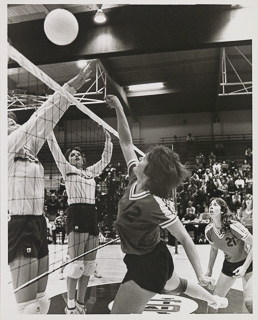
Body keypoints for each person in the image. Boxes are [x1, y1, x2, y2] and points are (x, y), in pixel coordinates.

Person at [105, 95, 228, 314]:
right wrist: (118, 108)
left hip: (148, 265)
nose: (139, 159)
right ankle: (213, 300)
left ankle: (210, 297)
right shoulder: (136, 177)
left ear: (150, 172)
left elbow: (185, 238)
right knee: (179, 285)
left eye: (145, 159)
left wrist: (200, 274)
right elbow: (125, 141)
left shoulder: (156, 203)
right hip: (151, 257)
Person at [8, 66, 91, 314]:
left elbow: (48, 120)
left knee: (42, 303)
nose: (12, 121)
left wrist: (74, 88)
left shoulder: (28, 150)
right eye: (7, 120)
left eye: (13, 119)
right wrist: (69, 87)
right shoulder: (7, 147)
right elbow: (38, 120)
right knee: (28, 309)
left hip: (39, 224)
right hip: (19, 225)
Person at [47, 123, 113, 314]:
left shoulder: (91, 172)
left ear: (83, 159)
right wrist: (48, 127)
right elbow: (54, 148)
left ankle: (81, 304)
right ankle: (70, 305)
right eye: (72, 155)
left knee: (89, 266)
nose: (75, 157)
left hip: (91, 213)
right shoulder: (66, 169)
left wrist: (108, 139)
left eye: (78, 155)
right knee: (75, 265)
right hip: (76, 212)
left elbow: (105, 159)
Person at [205, 198, 253, 314]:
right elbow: (213, 249)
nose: (211, 206)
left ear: (222, 210)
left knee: (249, 302)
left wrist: (244, 267)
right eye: (210, 205)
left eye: (215, 205)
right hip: (229, 265)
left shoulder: (234, 226)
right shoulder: (209, 231)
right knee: (213, 302)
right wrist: (209, 270)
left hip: (249, 263)